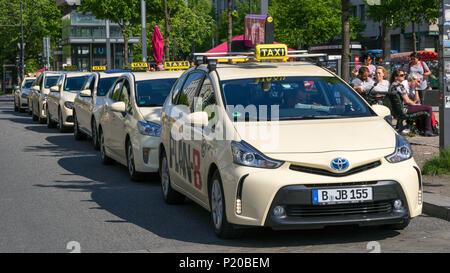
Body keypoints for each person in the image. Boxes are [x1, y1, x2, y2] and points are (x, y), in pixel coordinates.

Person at [389, 71, 435, 136]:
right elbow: (407, 101)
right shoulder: (401, 86)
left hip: (399, 109)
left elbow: (416, 100)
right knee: (428, 108)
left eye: (404, 74)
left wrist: (416, 89)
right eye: (402, 75)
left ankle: (422, 129)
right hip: (404, 109)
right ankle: (428, 130)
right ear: (396, 77)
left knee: (423, 107)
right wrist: (416, 104)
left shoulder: (393, 85)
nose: (404, 76)